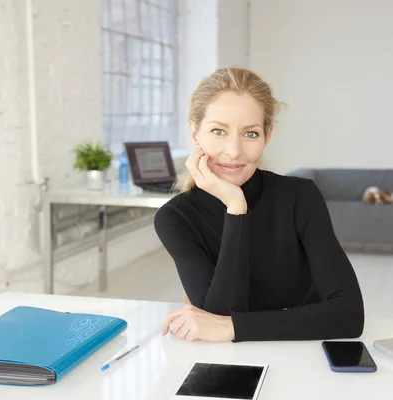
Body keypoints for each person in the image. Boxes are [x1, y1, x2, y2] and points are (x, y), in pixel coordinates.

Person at [154, 67, 364, 343]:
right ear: (195, 134)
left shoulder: (300, 197)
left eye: (250, 134)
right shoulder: (176, 218)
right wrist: (235, 208)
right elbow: (216, 315)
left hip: (303, 358)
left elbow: (349, 316)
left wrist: (233, 328)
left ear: (267, 136)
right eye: (218, 131)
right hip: (228, 363)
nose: (234, 151)